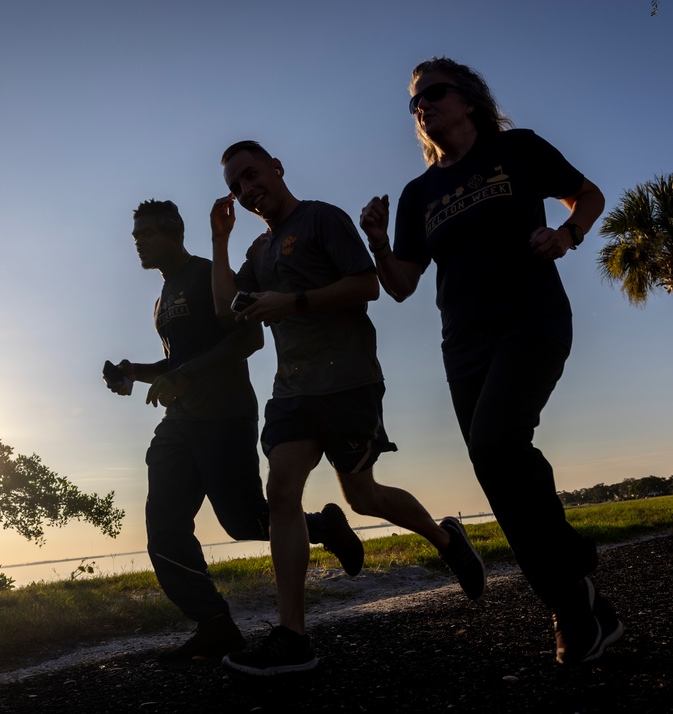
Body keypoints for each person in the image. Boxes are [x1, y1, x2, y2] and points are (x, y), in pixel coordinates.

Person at [359, 57, 624, 665]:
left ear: (469, 100)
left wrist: (566, 235)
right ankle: (582, 608)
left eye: (434, 94)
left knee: (497, 442)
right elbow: (400, 284)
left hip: (532, 320)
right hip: (464, 343)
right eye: (414, 103)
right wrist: (378, 240)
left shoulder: (517, 150)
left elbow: (587, 195)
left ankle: (572, 579)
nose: (422, 107)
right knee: (493, 462)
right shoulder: (418, 193)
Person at [210, 141, 486, 677]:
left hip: (349, 384)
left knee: (362, 496)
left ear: (276, 167)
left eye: (250, 175)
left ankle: (447, 538)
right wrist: (220, 243)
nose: (246, 190)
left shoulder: (321, 220)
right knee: (282, 491)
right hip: (291, 391)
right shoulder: (257, 253)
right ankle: (293, 637)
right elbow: (227, 312)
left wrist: (291, 302)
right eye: (235, 185)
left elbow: (366, 287)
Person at [104, 198, 364, 662]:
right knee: (164, 528)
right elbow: (178, 364)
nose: (138, 242)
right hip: (179, 422)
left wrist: (181, 376)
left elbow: (249, 337)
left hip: (224, 416)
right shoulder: (162, 298)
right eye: (135, 235)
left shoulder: (210, 277)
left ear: (173, 232)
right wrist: (134, 372)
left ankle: (323, 526)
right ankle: (215, 626)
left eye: (147, 233)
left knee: (244, 521)